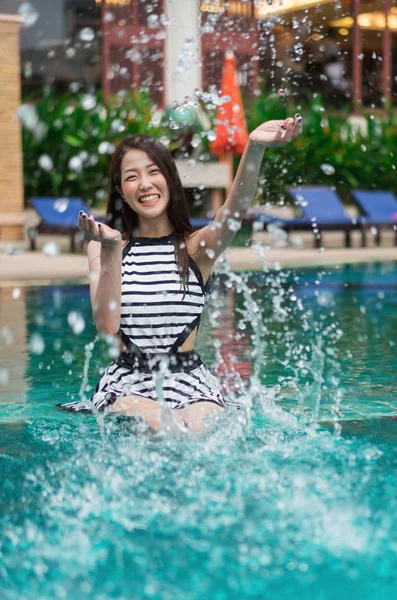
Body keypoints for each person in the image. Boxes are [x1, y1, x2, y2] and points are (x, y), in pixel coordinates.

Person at [57, 116, 302, 432]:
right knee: (166, 426)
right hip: (128, 383)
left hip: (191, 380)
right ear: (121, 190)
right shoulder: (104, 247)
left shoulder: (195, 247)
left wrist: (253, 148)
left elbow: (234, 210)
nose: (145, 184)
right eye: (132, 177)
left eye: (154, 172)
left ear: (170, 180)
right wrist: (111, 248)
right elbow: (107, 325)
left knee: (201, 435)